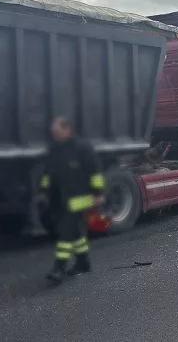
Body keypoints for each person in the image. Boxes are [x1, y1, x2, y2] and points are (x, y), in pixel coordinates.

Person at [39, 116, 105, 284]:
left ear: (68, 129)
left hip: (78, 199)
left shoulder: (82, 148)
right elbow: (47, 173)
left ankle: (58, 268)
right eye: (52, 132)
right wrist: (43, 192)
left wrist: (98, 193)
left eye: (57, 131)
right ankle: (83, 263)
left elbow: (95, 172)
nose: (54, 134)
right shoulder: (54, 149)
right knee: (76, 233)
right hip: (58, 199)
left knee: (65, 232)